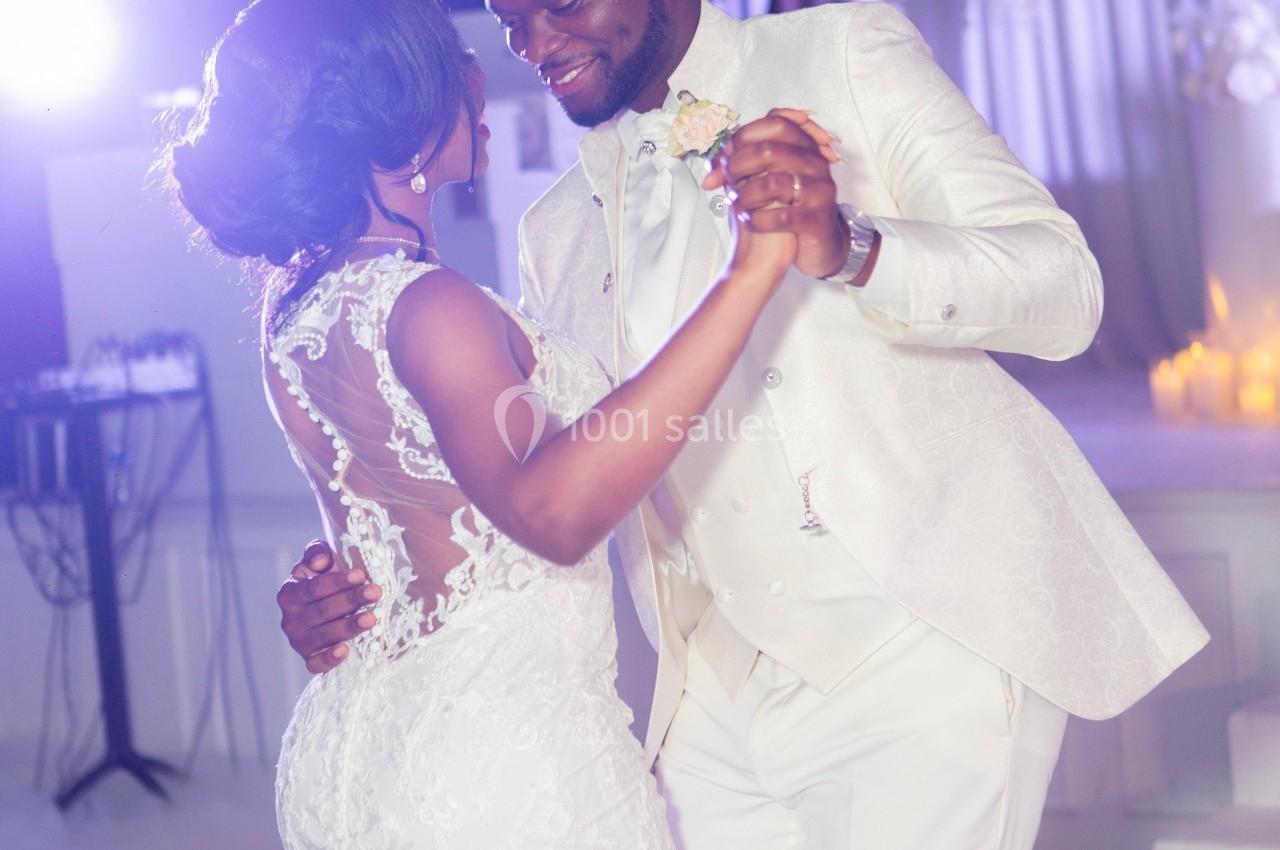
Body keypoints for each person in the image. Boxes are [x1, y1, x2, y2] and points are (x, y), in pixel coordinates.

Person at [279, 1, 1210, 848]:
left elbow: (1064, 288)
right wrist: (366, 585)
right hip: (704, 702)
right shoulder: (553, 228)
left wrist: (852, 248)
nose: (532, 44)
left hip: (916, 644)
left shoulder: (841, 50)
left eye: (558, 5)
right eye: (509, 19)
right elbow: (557, 479)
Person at [162, 0, 826, 846]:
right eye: (450, 62)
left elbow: (408, 503)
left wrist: (317, 598)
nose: (482, 74)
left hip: (360, 742)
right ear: (393, 125)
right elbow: (551, 515)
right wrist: (752, 267)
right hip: (502, 752)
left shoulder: (295, 309)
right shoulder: (430, 304)